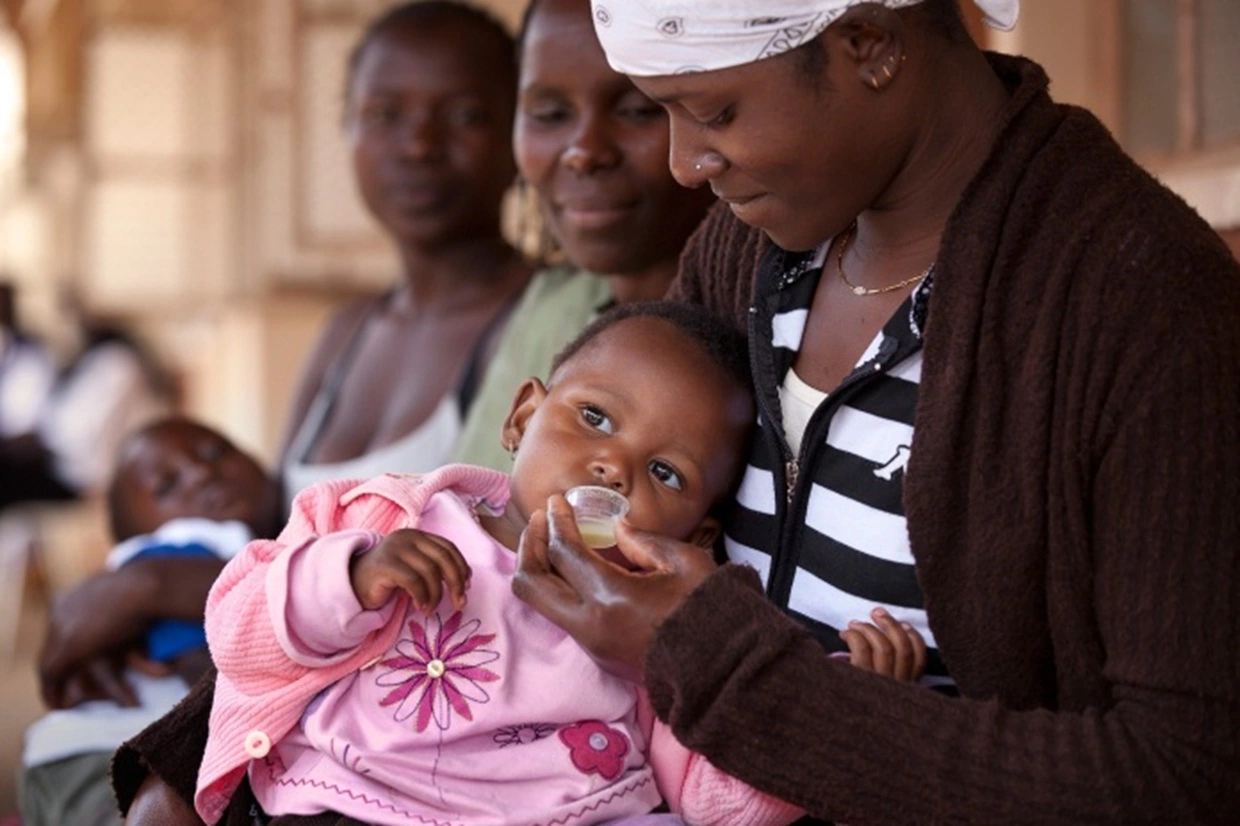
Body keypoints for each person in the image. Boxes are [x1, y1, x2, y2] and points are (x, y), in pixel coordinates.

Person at [510, 1, 1240, 824]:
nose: (685, 163)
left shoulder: (1141, 304)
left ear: (869, 46)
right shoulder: (746, 251)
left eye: (715, 112)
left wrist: (733, 676)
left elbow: (1187, 773)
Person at [280, 1, 533, 505]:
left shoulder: (553, 318)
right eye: (384, 114)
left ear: (521, 135)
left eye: (465, 116)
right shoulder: (346, 331)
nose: (419, 145)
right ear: (347, 128)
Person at [452, 0, 715, 470]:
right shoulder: (552, 309)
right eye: (550, 114)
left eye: (638, 110)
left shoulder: (763, 335)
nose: (585, 151)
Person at [21, 417, 280, 826]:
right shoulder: (183, 546)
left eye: (217, 452)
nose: (202, 472)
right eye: (166, 486)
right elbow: (202, 674)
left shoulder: (263, 543)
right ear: (136, 537)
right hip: (105, 755)